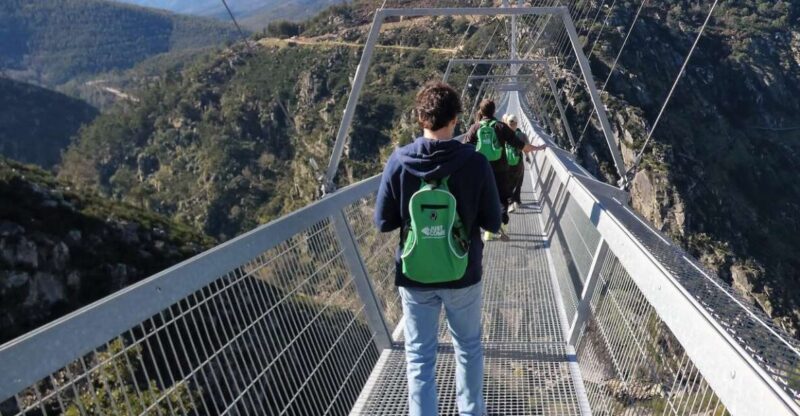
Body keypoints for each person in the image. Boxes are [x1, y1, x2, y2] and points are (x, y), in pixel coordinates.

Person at [374, 81, 501, 416]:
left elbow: (383, 223)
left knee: (419, 355)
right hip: (463, 273)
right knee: (468, 348)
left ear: (420, 119)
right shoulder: (475, 163)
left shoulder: (399, 161)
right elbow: (493, 222)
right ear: (456, 119)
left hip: (415, 275)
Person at [464, 99, 536, 240]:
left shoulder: (475, 127)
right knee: (502, 198)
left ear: (481, 111)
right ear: (494, 111)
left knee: (484, 198)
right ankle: (502, 224)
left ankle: (488, 231)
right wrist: (538, 148)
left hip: (481, 169)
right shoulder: (501, 127)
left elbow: (464, 148)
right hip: (501, 170)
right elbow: (520, 145)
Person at [503, 114, 545, 212]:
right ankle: (515, 201)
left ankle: (510, 202)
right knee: (519, 181)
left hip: (506, 163)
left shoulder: (503, 133)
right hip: (518, 163)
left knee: (508, 183)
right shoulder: (521, 135)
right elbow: (526, 148)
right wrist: (536, 150)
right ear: (517, 123)